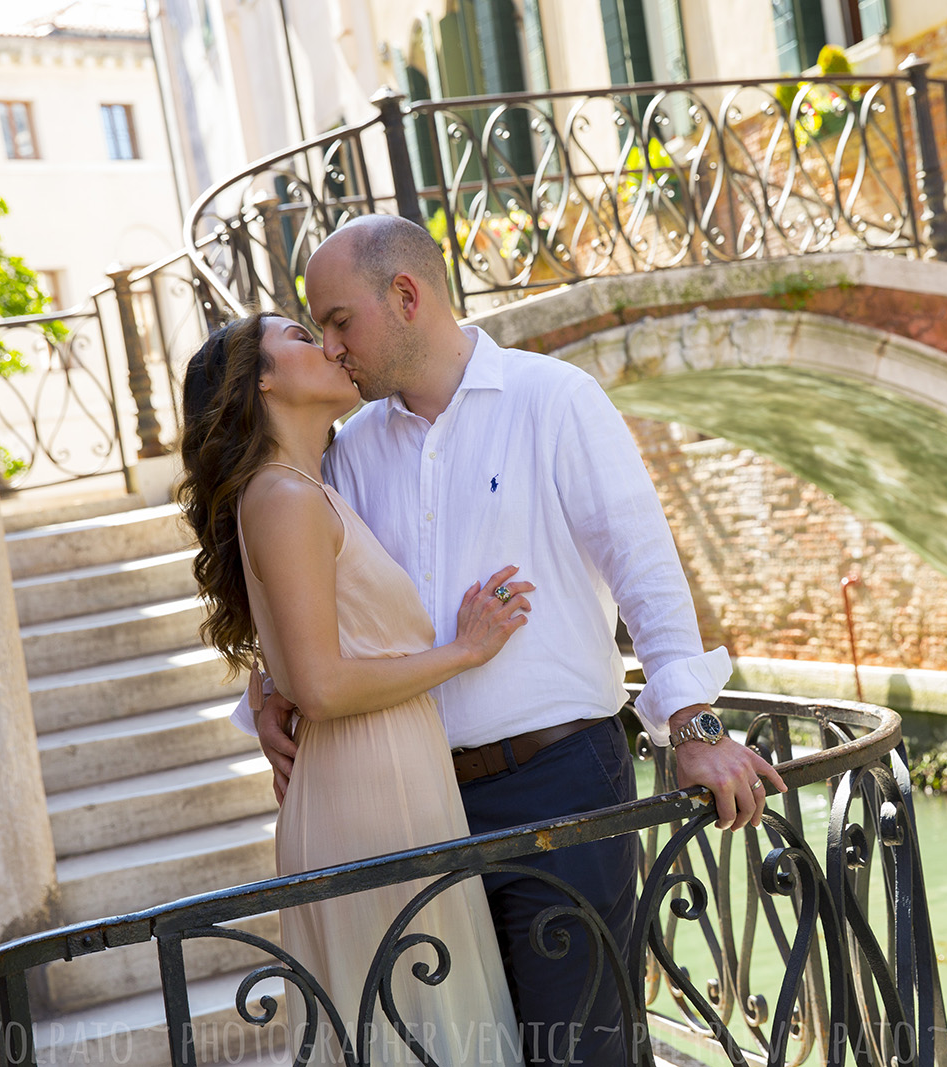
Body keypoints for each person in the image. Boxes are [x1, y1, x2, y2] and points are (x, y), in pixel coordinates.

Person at [229, 214, 788, 1066]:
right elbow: (309, 585)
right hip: (420, 812)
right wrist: (266, 690)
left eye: (340, 322)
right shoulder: (347, 451)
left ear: (406, 296)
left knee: (581, 1054)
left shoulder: (555, 400)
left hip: (561, 788)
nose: (333, 347)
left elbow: (647, 572)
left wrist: (695, 727)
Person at [177, 311, 530, 1064]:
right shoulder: (282, 495)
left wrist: (269, 681)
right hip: (368, 789)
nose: (331, 347)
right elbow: (326, 685)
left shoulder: (300, 489)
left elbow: (306, 654)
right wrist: (463, 651)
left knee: (433, 1027)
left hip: (389, 777)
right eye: (304, 338)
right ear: (261, 379)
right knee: (418, 1032)